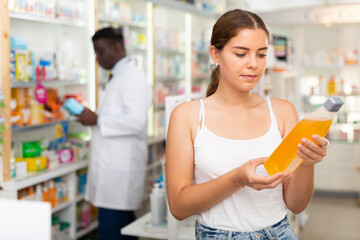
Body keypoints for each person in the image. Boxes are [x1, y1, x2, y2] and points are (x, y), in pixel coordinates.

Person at [166, 9, 329, 240]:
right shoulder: (188, 116)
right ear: (216, 54)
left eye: (261, 54)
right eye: (241, 54)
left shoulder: (283, 112)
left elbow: (296, 205)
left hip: (279, 233)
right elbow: (178, 207)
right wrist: (237, 179)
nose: (253, 64)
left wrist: (307, 162)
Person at [77, 27, 152, 240]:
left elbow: (136, 122)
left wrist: (98, 119)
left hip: (120, 174)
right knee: (123, 229)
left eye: (101, 51)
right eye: (96, 53)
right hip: (112, 172)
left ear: (116, 47)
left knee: (112, 232)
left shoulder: (133, 78)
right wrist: (94, 119)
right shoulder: (118, 77)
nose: (98, 58)